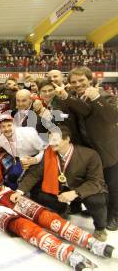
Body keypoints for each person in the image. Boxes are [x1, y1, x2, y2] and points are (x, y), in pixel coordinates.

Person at [0, 155, 116, 270]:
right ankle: (66, 253)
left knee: (45, 215)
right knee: (26, 228)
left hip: (6, 196)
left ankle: (89, 241)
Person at [12, 126, 109, 241]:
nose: (51, 143)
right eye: (50, 140)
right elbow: (35, 174)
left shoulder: (90, 155)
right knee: (39, 194)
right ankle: (63, 209)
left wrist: (76, 193)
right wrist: (19, 191)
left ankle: (100, 228)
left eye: (55, 140)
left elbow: (96, 182)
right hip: (60, 188)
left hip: (82, 189)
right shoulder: (48, 154)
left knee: (96, 200)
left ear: (67, 139)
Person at [54, 66, 118, 231]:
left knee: (112, 185)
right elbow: (72, 116)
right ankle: (96, 209)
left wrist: (97, 98)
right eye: (74, 81)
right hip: (87, 149)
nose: (78, 84)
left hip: (108, 150)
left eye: (81, 80)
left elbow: (112, 118)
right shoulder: (73, 98)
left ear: (90, 80)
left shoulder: (104, 95)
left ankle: (115, 216)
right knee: (93, 181)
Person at [0, 115, 45, 189]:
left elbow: (44, 150)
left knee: (35, 185)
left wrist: (35, 159)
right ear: (0, 129)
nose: (6, 129)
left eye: (9, 125)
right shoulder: (1, 140)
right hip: (21, 159)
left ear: (14, 125)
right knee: (11, 177)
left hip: (38, 157)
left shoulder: (29, 133)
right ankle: (15, 193)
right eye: (3, 126)